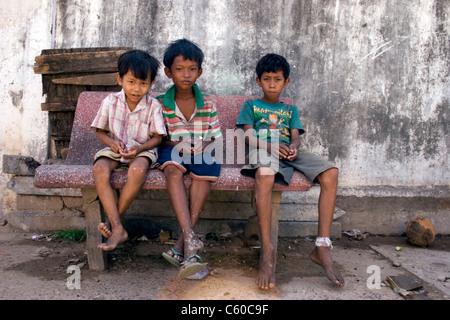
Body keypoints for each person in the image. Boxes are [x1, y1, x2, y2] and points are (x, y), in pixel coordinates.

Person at [236, 53, 345, 290]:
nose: (272, 84)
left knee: (331, 173)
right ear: (258, 81)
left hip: (286, 151)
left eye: (277, 79)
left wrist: (294, 149)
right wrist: (270, 147)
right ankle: (267, 251)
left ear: (286, 82)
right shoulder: (251, 106)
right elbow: (247, 135)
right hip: (264, 150)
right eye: (267, 79)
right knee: (264, 173)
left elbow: (295, 138)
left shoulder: (291, 110)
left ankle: (322, 246)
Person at [157, 39, 222, 279]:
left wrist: (201, 145)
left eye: (192, 69)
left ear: (199, 72)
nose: (186, 74)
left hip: (201, 151)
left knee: (203, 176)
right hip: (172, 150)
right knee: (173, 172)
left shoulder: (209, 105)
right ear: (168, 72)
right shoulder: (160, 105)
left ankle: (183, 245)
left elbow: (215, 137)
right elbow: (157, 137)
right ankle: (191, 245)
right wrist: (178, 146)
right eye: (179, 69)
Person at [91, 49, 166, 251]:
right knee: (99, 169)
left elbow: (158, 137)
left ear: (151, 83)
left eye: (143, 83)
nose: (136, 88)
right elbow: (100, 131)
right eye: (131, 81)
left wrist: (139, 148)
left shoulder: (153, 106)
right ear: (120, 79)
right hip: (116, 147)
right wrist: (112, 143)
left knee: (137, 170)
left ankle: (111, 223)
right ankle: (117, 227)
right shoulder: (110, 102)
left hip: (142, 150)